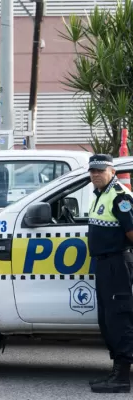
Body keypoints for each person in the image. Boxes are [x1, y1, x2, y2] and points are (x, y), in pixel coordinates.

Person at [87, 154, 133, 394]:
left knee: (119, 318)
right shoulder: (100, 195)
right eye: (92, 171)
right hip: (104, 265)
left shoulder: (120, 197)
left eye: (100, 170)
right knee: (107, 320)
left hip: (117, 263)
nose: (95, 174)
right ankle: (116, 371)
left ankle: (122, 377)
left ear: (111, 170)